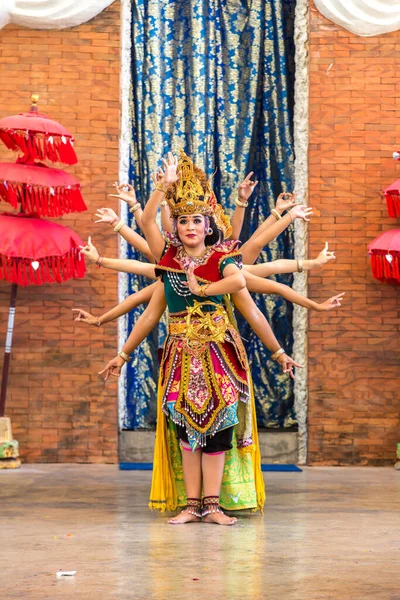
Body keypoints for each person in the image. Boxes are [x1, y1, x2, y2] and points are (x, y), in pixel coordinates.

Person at [96, 151, 309, 526]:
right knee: (185, 430)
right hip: (179, 356)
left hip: (220, 355)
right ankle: (191, 505)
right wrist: (123, 355)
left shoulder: (222, 258)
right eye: (182, 221)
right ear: (175, 226)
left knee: (219, 428)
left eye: (197, 220)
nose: (190, 226)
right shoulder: (167, 260)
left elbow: (249, 304)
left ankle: (213, 505)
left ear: (207, 224)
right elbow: (149, 313)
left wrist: (278, 353)